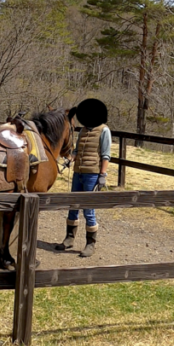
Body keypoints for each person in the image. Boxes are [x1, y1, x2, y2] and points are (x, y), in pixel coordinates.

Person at [55, 98, 111, 258]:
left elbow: (106, 155)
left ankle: (90, 244)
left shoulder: (104, 130)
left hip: (92, 173)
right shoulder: (83, 130)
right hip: (78, 172)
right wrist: (69, 160)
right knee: (73, 205)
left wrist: (102, 175)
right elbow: (77, 150)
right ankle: (69, 239)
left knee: (88, 209)